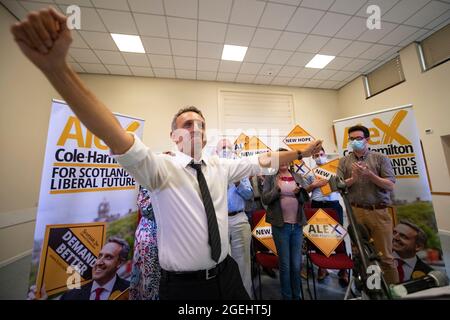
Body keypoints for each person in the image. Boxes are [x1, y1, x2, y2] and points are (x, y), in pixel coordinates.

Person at [11, 9, 322, 300]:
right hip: (184, 286)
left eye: (202, 124)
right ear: (174, 136)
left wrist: (301, 152)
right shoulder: (159, 169)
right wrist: (57, 70)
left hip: (226, 276)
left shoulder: (220, 166)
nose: (197, 128)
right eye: (188, 124)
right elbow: (114, 134)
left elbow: (266, 160)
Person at [337, 125, 398, 285]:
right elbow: (338, 185)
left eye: (359, 138)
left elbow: (390, 185)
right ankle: (372, 289)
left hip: (378, 212)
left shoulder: (379, 158)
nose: (355, 142)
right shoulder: (344, 161)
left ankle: (392, 290)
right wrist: (354, 178)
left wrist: (370, 175)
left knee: (385, 256)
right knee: (361, 255)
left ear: (367, 139)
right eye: (352, 139)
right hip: (355, 212)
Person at [261, 148, 309, 300]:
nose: (283, 162)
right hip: (281, 227)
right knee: (285, 265)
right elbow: (265, 199)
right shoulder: (270, 178)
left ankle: (297, 295)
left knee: (296, 265)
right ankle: (287, 296)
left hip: (297, 226)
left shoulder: (298, 176)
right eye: (280, 159)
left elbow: (304, 200)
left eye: (286, 159)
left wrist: (299, 193)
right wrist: (276, 189)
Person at [216, 139, 254, 299]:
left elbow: (250, 195)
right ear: (217, 152)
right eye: (222, 148)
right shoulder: (213, 169)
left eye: (228, 148)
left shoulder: (239, 169)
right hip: (219, 221)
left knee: (243, 263)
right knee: (221, 262)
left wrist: (238, 182)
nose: (226, 150)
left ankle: (246, 299)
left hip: (239, 219)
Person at [304, 147, 348, 285]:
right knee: (319, 237)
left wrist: (331, 182)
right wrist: (313, 185)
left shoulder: (334, 169)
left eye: (321, 154)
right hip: (317, 204)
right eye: (316, 155)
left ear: (325, 154)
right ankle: (322, 268)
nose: (319, 156)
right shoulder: (310, 173)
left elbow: (343, 186)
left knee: (338, 236)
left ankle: (343, 270)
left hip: (333, 205)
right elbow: (305, 192)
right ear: (313, 157)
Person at [129, 186, 161, 300]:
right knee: (147, 286)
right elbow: (146, 207)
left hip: (167, 236)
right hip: (150, 238)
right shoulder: (151, 175)